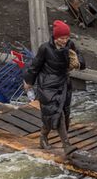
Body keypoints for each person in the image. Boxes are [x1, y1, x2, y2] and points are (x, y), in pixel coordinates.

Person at [24, 20, 86, 155]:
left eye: (66, 38)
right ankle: (66, 145)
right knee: (58, 114)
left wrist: (79, 63)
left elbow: (80, 58)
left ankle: (43, 137)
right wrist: (28, 82)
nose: (64, 41)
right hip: (48, 85)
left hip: (64, 83)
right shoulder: (45, 48)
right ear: (55, 37)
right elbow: (35, 67)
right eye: (62, 38)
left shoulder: (70, 45)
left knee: (59, 113)